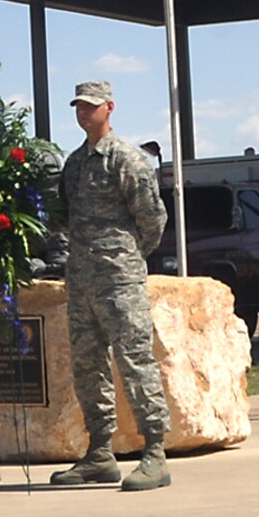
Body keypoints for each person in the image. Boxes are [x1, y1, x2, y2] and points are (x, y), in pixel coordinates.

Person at [50, 80, 173, 491]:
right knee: (87, 367)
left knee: (135, 361)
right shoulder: (75, 164)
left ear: (109, 108)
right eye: (78, 107)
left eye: (90, 106)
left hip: (119, 280)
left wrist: (126, 255)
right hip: (82, 280)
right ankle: (99, 452)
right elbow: (64, 217)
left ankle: (155, 452)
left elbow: (153, 219)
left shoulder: (128, 159)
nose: (83, 113)